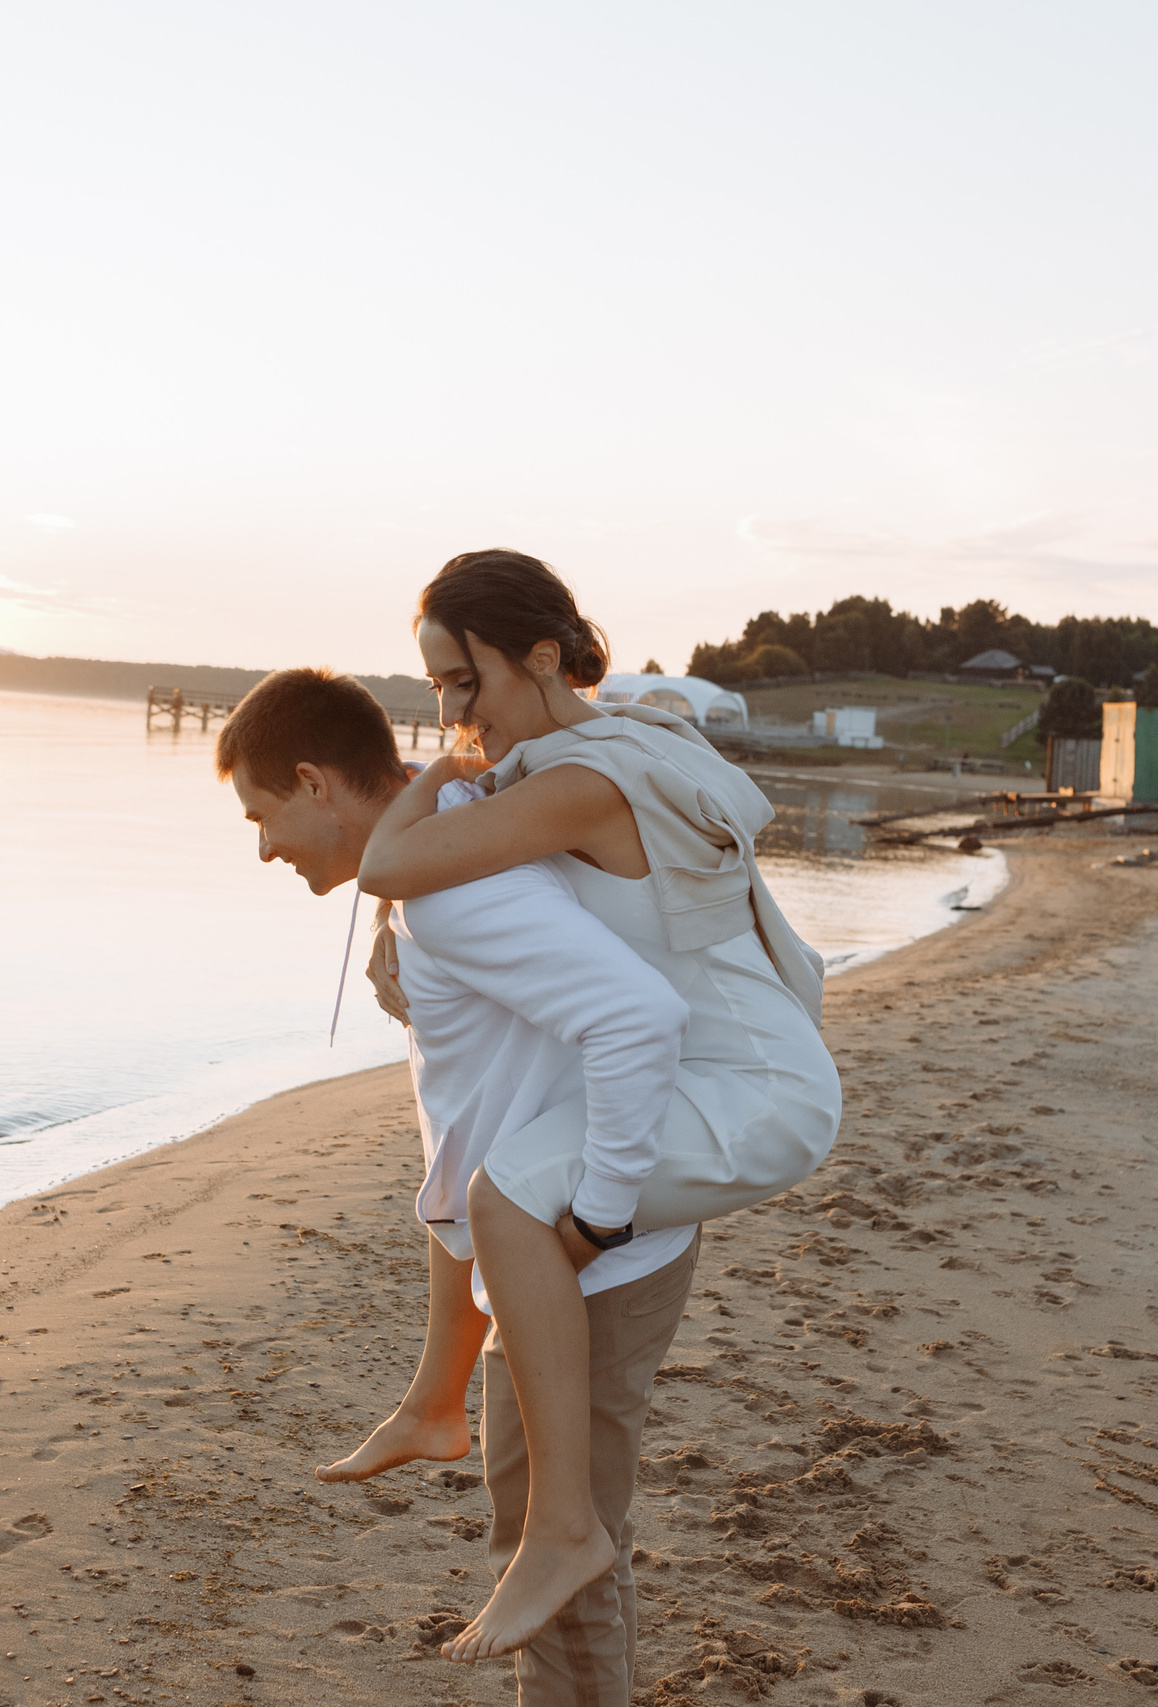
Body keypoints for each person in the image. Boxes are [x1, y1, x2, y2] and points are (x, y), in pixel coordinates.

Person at [358, 549, 840, 1665]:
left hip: (750, 1089)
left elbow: (392, 863)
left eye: (464, 683)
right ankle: (529, 1493)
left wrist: (438, 777)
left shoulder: (582, 779)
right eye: (435, 690)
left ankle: (560, 1529)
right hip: (717, 1073)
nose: (455, 712)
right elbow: (460, 888)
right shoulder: (603, 743)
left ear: (539, 658)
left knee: (508, 1199)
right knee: (509, 1196)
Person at [217, 666, 702, 1705]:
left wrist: (596, 1224)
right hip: (547, 1236)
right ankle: (433, 1405)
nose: (262, 848)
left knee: (558, 1546)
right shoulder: (445, 852)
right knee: (541, 1524)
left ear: (313, 782)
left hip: (582, 1248)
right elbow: (493, 1064)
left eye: (262, 817)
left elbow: (636, 1019)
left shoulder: (451, 883)